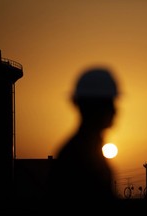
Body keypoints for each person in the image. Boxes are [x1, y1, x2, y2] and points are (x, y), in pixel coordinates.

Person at [47, 66, 120, 213]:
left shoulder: (84, 150)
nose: (115, 109)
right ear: (92, 107)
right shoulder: (79, 156)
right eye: (109, 102)